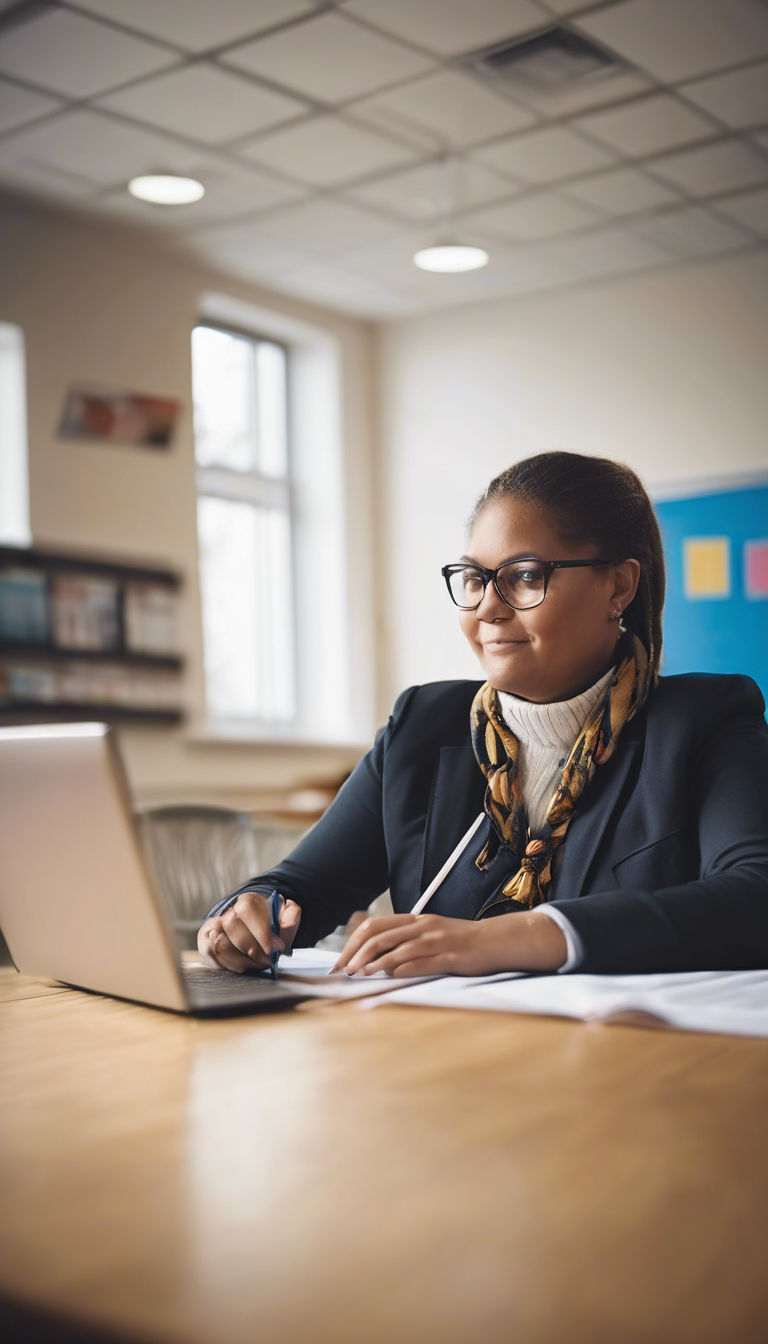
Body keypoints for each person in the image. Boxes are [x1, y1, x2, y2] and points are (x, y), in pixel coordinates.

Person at [198, 451, 768, 979]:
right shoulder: (422, 724)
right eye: (475, 579)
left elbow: (755, 897)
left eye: (524, 576)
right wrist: (247, 915)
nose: (488, 608)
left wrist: (510, 938)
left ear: (618, 586)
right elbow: (299, 886)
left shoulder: (707, 721)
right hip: (447, 1055)